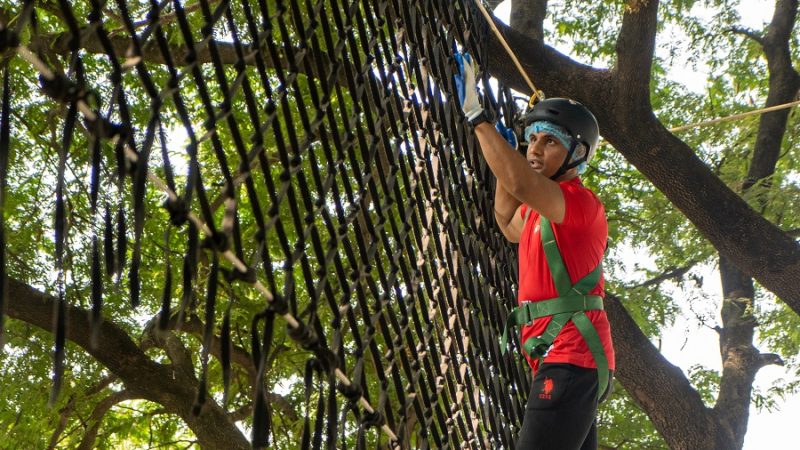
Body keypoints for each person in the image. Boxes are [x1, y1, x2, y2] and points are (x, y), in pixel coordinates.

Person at [454, 52, 615, 450]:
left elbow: (523, 184)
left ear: (578, 154)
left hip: (571, 356)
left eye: (550, 141)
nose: (535, 149)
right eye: (532, 139)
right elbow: (507, 223)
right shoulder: (541, 212)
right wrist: (505, 164)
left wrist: (477, 118)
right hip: (564, 359)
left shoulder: (580, 205)